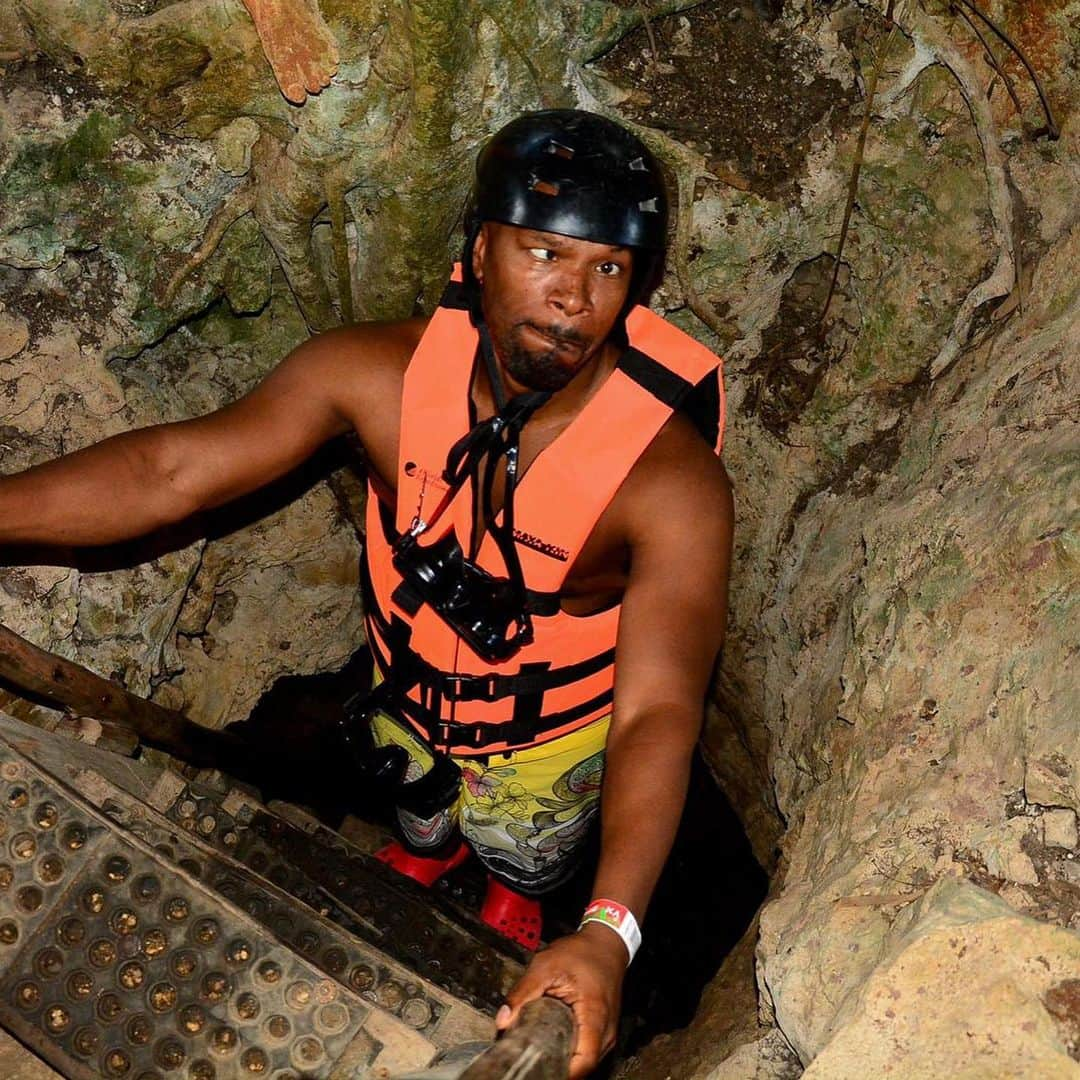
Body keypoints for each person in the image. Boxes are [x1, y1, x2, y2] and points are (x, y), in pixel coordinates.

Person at [0, 110, 733, 1077]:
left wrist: (609, 931)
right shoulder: (373, 376)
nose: (573, 301)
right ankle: (430, 852)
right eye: (544, 253)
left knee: (526, 848)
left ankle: (513, 895)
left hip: (545, 745)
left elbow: (657, 711)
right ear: (481, 250)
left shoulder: (668, 484)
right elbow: (170, 473)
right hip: (405, 693)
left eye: (608, 268)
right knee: (417, 806)